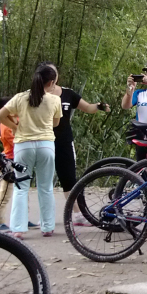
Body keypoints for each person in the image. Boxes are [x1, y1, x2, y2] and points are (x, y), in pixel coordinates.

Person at [0, 64, 62, 239]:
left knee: (21, 187)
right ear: (51, 82)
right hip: (46, 145)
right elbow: (55, 123)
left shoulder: (20, 98)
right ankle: (47, 227)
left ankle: (18, 228)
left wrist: (15, 127)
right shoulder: (54, 100)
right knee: (45, 187)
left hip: (23, 146)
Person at [44, 63, 110, 227]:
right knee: (45, 180)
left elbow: (87, 107)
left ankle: (77, 214)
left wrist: (99, 106)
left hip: (64, 141)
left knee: (69, 178)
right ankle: (46, 218)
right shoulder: (34, 95)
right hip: (42, 141)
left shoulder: (67, 93)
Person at [0, 96, 39, 231]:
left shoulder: (16, 119)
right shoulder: (5, 124)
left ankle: (24, 218)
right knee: (5, 193)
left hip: (21, 160)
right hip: (9, 162)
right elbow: (15, 140)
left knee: (23, 191)